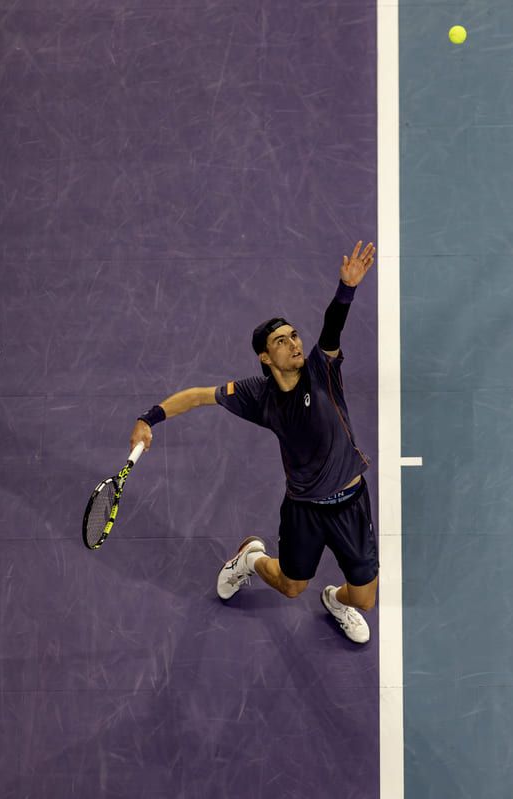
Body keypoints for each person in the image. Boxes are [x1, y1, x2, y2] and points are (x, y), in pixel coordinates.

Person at [130, 240, 378, 644]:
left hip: (351, 503)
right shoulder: (255, 395)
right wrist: (148, 418)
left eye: (295, 336)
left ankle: (335, 600)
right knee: (292, 587)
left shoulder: (322, 369)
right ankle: (251, 557)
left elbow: (333, 325)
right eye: (282, 341)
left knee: (365, 599)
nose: (295, 343)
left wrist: (346, 289)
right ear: (265, 357)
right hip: (304, 510)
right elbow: (196, 396)